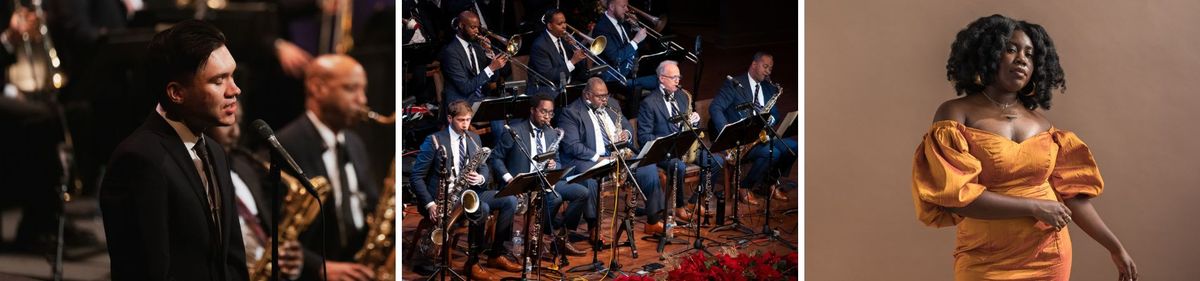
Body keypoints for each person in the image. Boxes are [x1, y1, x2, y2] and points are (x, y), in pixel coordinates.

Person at [911, 14, 1137, 281]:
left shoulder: (1043, 126)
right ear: (987, 53)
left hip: (1048, 255)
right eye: (1011, 49)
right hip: (985, 258)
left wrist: (1115, 247)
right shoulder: (955, 114)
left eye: (1029, 55)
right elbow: (958, 198)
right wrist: (1034, 207)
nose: (1021, 59)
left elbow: (1073, 197)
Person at [99, 19, 249, 281]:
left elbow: (232, 259)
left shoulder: (214, 150)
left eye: (232, 75)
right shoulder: (139, 159)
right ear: (176, 92)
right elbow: (146, 271)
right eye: (218, 80)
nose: (234, 90)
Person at [275, 54, 378, 281]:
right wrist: (317, 267)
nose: (362, 99)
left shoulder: (354, 142)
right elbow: (271, 230)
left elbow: (370, 202)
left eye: (363, 90)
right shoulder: (285, 145)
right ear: (318, 88)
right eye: (351, 89)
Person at [410, 100, 522, 281]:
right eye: (461, 120)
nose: (465, 125)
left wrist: (481, 178)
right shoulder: (434, 141)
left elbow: (483, 166)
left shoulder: (474, 138)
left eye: (468, 120)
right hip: (442, 197)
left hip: (469, 192)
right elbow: (416, 177)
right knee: (482, 209)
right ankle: (473, 262)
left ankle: (495, 254)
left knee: (509, 200)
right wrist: (430, 204)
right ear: (449, 118)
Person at [206, 102, 306, 280]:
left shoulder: (245, 167)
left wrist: (290, 258)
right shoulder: (198, 180)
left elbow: (269, 231)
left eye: (239, 122)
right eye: (228, 123)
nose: (236, 133)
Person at [558, 77, 664, 235]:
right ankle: (594, 227)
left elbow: (627, 125)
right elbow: (572, 145)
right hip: (590, 160)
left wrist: (626, 134)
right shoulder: (571, 113)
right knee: (589, 180)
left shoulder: (612, 105)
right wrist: (598, 158)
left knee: (648, 169)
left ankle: (653, 221)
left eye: (606, 95)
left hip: (618, 156)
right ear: (587, 95)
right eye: (600, 96)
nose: (604, 99)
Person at [489, 95, 591, 256]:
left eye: (551, 113)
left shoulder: (552, 133)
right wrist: (509, 179)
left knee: (582, 192)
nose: (547, 117)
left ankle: (558, 236)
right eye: (543, 112)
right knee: (556, 198)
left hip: (544, 181)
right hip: (520, 184)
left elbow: (557, 161)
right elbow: (496, 158)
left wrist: (554, 165)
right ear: (532, 110)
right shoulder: (515, 131)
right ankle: (532, 238)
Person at [636, 60, 723, 223]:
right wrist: (667, 141)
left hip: (686, 148)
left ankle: (695, 200)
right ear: (662, 78)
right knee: (679, 166)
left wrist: (694, 122)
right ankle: (679, 206)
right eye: (673, 77)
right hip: (665, 152)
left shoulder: (683, 97)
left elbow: (687, 123)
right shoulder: (649, 103)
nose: (678, 81)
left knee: (716, 161)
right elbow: (643, 137)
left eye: (679, 77)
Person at [710, 52, 796, 204]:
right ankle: (744, 186)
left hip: (761, 137)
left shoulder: (768, 88)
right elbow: (715, 108)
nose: (768, 71)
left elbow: (775, 113)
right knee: (773, 153)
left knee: (793, 147)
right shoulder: (735, 84)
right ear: (754, 64)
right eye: (765, 66)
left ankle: (769, 183)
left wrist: (769, 119)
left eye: (770, 68)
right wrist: (727, 133)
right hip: (740, 140)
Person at [527, 9, 585, 97]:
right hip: (547, 91)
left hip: (567, 86)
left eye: (564, 22)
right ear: (550, 26)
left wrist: (574, 47)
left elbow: (581, 69)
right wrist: (573, 61)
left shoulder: (565, 39)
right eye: (559, 24)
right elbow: (549, 76)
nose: (564, 26)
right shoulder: (539, 46)